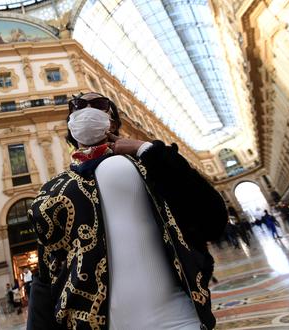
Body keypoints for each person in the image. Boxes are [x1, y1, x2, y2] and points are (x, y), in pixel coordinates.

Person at [27, 92, 228, 329]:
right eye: (78, 107)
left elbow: (213, 219)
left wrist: (148, 150)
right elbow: (45, 274)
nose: (87, 110)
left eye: (98, 105)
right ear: (71, 126)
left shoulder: (150, 166)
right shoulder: (53, 192)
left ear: (112, 122)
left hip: (180, 319)